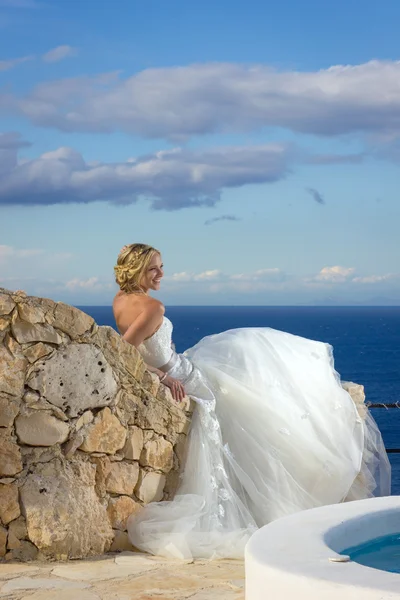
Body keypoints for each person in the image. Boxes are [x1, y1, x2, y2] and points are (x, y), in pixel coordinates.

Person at [113, 243, 391, 560]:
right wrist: (163, 376)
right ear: (137, 269)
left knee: (246, 346)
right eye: (154, 268)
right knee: (254, 386)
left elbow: (132, 347)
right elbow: (125, 350)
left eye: (161, 266)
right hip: (184, 375)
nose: (161, 273)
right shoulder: (153, 307)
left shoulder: (120, 301)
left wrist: (160, 364)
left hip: (179, 365)